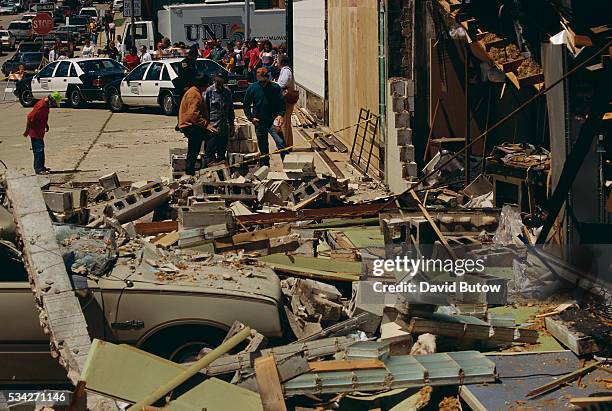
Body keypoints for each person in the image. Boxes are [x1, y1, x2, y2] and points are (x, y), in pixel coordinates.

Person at [243, 67, 286, 167]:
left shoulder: (275, 88)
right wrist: (251, 117)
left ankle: (288, 165)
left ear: (267, 76)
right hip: (259, 122)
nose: (260, 75)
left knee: (280, 143)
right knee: (263, 147)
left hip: (273, 122)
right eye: (259, 74)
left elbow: (282, 103)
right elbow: (246, 104)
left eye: (263, 74)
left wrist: (280, 115)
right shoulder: (253, 88)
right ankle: (265, 167)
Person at [178, 74, 217, 175]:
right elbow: (193, 114)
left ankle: (190, 170)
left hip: (192, 124)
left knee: (194, 149)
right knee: (212, 134)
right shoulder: (194, 94)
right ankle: (208, 160)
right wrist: (206, 125)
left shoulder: (195, 92)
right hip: (191, 125)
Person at [23, 92, 61, 175]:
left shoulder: (46, 105)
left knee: (41, 149)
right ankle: (38, 169)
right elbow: (29, 117)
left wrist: (45, 124)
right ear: (51, 100)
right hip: (35, 132)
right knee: (38, 150)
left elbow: (42, 117)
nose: (53, 105)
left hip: (40, 131)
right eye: (54, 103)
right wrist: (27, 131)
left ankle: (41, 166)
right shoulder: (41, 106)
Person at [204, 71, 234, 164]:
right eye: (217, 81)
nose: (218, 83)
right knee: (209, 153)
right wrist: (206, 124)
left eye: (220, 81)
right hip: (212, 128)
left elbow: (230, 110)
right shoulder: (209, 91)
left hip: (224, 128)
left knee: (221, 154)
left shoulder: (227, 91)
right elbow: (204, 109)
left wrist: (232, 125)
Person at [276, 54, 296, 147]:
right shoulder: (284, 71)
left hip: (286, 100)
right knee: (286, 124)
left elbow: (283, 83)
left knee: (283, 123)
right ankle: (288, 144)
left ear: (282, 62)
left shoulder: (286, 71)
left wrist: (275, 84)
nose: (276, 63)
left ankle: (284, 146)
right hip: (286, 100)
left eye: (277, 61)